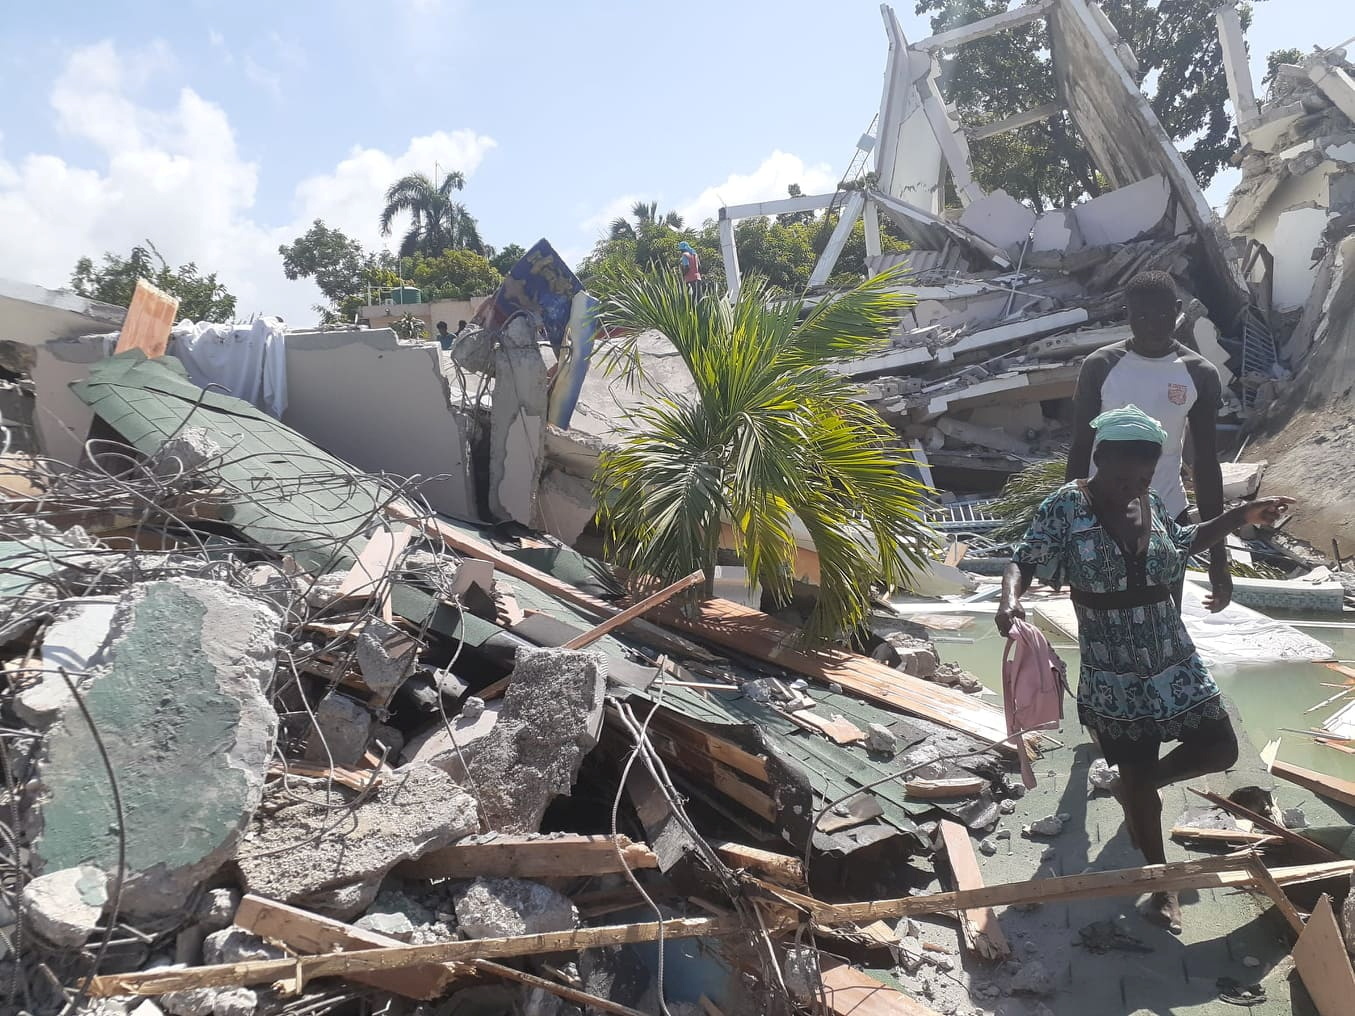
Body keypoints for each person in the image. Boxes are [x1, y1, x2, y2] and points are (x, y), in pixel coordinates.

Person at [996, 405, 1293, 933]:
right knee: (1140, 783)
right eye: (1122, 474)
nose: (1130, 485)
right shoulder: (1066, 505)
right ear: (1100, 458)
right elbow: (1024, 558)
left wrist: (1243, 515)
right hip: (1114, 670)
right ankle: (1159, 884)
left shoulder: (1151, 501)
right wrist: (1009, 600)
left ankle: (1133, 787)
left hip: (1172, 656)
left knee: (1219, 749)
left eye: (1143, 475)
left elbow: (1183, 544)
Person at [1067, 271, 1231, 613]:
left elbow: (1204, 464)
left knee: (1165, 625)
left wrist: (1219, 559)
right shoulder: (1100, 366)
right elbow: (1081, 448)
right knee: (1103, 623)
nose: (1152, 325)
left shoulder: (1199, 373)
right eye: (1141, 316)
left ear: (1177, 310)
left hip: (1167, 517)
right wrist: (1069, 526)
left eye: (1161, 315)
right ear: (1127, 314)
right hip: (1101, 518)